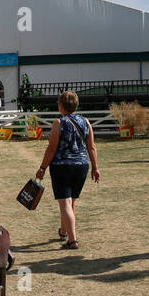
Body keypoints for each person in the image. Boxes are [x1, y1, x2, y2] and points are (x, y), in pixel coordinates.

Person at [35, 90, 99, 250]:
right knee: (71, 201)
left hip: (61, 165)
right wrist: (95, 168)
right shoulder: (85, 122)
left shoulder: (59, 123)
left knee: (64, 203)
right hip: (82, 165)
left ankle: (72, 240)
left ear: (61, 106)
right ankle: (64, 231)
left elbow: (51, 149)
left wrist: (42, 167)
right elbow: (91, 146)